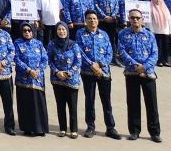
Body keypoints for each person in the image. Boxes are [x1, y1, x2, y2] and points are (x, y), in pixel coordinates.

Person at [118, 9, 162, 143]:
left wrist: (145, 67)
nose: (135, 20)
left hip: (148, 74)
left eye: (137, 18)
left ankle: (154, 132)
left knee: (152, 104)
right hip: (131, 72)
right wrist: (135, 65)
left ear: (142, 19)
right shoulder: (122, 34)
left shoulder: (149, 35)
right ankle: (134, 130)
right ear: (129, 19)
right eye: (132, 18)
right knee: (133, 103)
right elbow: (122, 51)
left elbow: (155, 53)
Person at [77, 10, 120, 139]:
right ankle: (91, 126)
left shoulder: (104, 34)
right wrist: (92, 65)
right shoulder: (80, 34)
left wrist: (100, 65)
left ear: (98, 20)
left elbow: (110, 52)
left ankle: (110, 127)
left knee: (106, 100)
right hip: (87, 71)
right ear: (85, 21)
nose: (92, 20)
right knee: (90, 100)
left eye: (94, 18)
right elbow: (79, 51)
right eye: (89, 18)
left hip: (104, 72)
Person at [13, 24, 48, 137]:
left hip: (37, 79)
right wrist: (28, 70)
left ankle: (40, 128)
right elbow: (16, 59)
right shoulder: (17, 43)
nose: (27, 32)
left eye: (29, 30)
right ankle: (27, 128)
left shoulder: (38, 43)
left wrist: (38, 70)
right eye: (24, 30)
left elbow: (45, 59)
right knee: (25, 104)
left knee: (39, 104)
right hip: (24, 79)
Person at [47, 22, 82, 138]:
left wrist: (69, 73)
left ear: (67, 31)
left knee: (72, 105)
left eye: (63, 30)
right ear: (56, 31)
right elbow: (49, 60)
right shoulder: (52, 44)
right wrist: (57, 72)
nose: (61, 32)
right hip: (57, 79)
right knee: (60, 105)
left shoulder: (74, 45)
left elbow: (78, 61)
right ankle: (62, 128)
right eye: (59, 30)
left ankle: (74, 129)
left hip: (71, 79)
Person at [149, 0, 171, 67]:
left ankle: (165, 61)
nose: (157, 0)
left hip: (165, 31)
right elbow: (149, 22)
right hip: (156, 31)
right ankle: (159, 61)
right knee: (158, 47)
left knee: (165, 47)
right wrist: (151, 31)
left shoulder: (164, 8)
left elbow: (170, 21)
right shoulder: (150, 8)